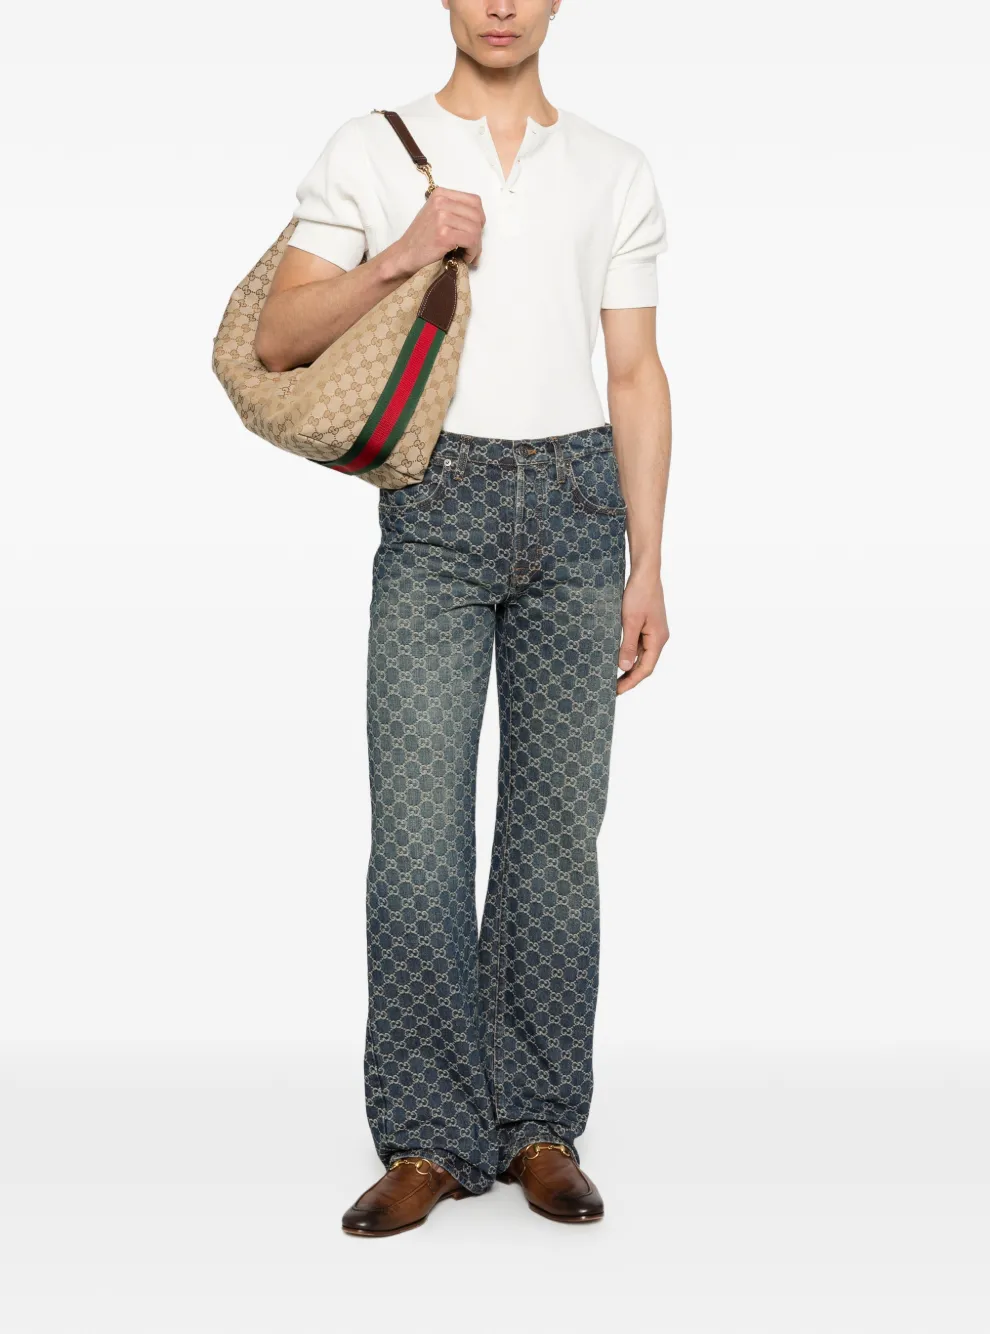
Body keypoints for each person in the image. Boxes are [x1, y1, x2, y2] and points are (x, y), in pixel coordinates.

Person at [255, 0, 672, 1237]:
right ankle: (429, 1138)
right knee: (417, 839)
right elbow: (277, 338)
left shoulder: (612, 166)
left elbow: (635, 371)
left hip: (581, 509)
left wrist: (648, 562)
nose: (500, 5)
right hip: (437, 507)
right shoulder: (370, 147)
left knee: (555, 837)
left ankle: (538, 1124)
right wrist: (402, 252)